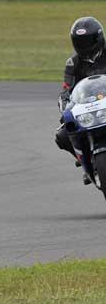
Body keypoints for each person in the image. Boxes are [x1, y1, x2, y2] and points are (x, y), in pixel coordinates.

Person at [55, 17, 106, 184]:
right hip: (87, 108)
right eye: (80, 41)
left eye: (88, 41)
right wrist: (65, 109)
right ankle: (86, 160)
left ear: (98, 38)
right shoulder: (73, 63)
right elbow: (65, 89)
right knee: (62, 135)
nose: (84, 45)